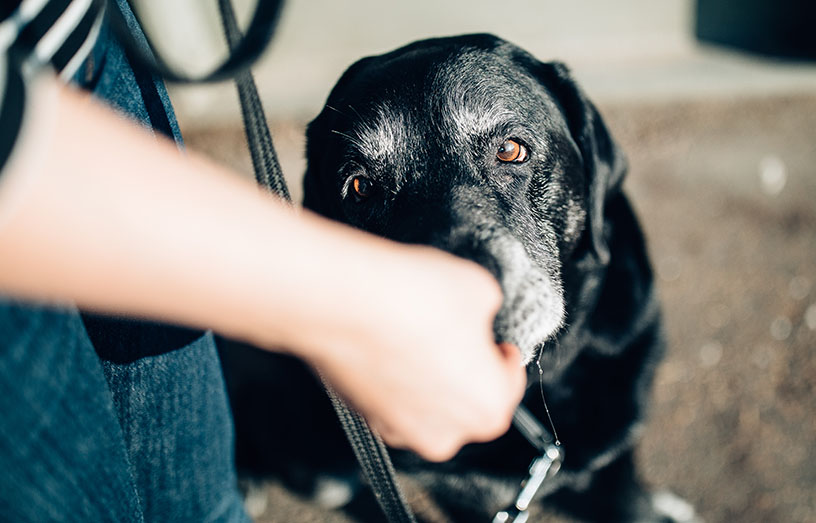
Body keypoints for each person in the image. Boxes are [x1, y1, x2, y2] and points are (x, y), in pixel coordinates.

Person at [0, 0, 526, 520]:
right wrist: (358, 315)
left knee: (205, 509)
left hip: (82, 40)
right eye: (364, 187)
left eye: (509, 154)